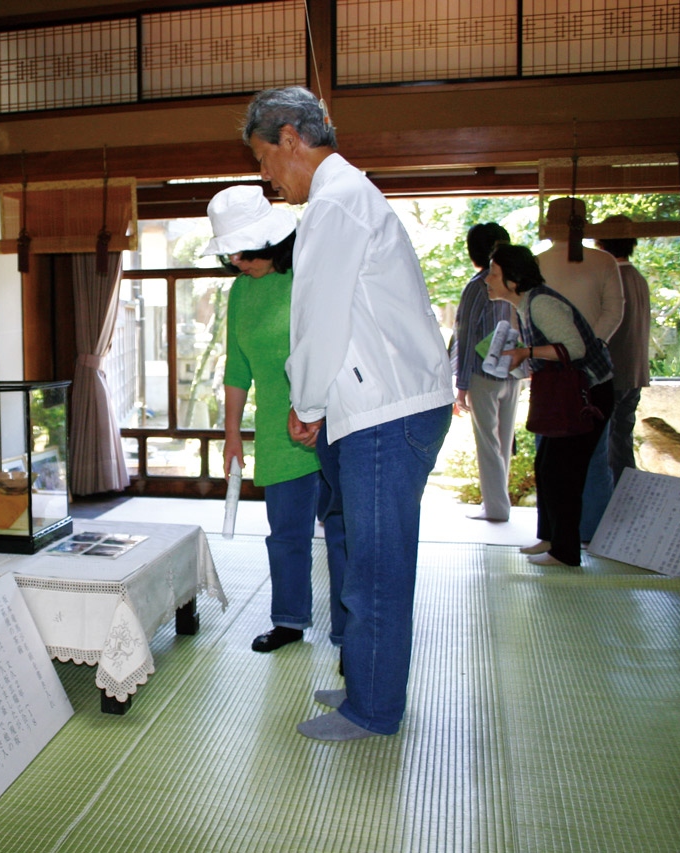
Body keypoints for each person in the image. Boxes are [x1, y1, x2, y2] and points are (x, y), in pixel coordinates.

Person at [243, 87, 453, 741]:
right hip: (369, 409)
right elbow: (348, 323)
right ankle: (366, 681)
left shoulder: (337, 201)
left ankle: (374, 708)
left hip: (386, 416)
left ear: (287, 138)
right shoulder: (347, 197)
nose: (266, 176)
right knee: (355, 552)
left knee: (376, 568)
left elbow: (321, 318)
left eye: (263, 159)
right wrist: (322, 409)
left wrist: (306, 405)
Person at [203, 184, 321, 653]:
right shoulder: (239, 292)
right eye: (231, 255)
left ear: (273, 243)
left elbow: (325, 349)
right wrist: (233, 435)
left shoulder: (306, 279)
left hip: (328, 423)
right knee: (286, 532)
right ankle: (289, 621)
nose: (238, 263)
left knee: (346, 530)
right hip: (277, 429)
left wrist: (314, 407)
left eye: (246, 254)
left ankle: (350, 632)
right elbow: (237, 367)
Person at [487, 244, 614, 567]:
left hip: (588, 397)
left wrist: (526, 353)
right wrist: (520, 358)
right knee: (547, 467)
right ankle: (551, 538)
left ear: (513, 279)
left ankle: (566, 552)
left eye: (495, 273)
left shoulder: (540, 303)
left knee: (563, 472)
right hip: (572, 395)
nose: (488, 279)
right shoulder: (526, 304)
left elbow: (575, 349)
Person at [536, 197, 622, 541]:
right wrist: (589, 348)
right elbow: (614, 313)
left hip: (559, 370)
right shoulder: (601, 261)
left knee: (555, 457)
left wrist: (568, 352)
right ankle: (577, 535)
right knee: (584, 458)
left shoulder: (540, 262)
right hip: (582, 370)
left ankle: (557, 536)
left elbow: (614, 312)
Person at [453, 222, 519, 522]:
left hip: (483, 373)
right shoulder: (516, 282)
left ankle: (495, 508)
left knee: (488, 443)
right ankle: (500, 505)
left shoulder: (478, 285)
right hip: (513, 371)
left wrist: (461, 384)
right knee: (504, 440)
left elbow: (465, 337)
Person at [596, 215, 652, 484]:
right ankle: (625, 497)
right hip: (635, 371)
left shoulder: (612, 279)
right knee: (621, 438)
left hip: (613, 372)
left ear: (601, 244)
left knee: (609, 445)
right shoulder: (637, 277)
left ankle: (616, 503)